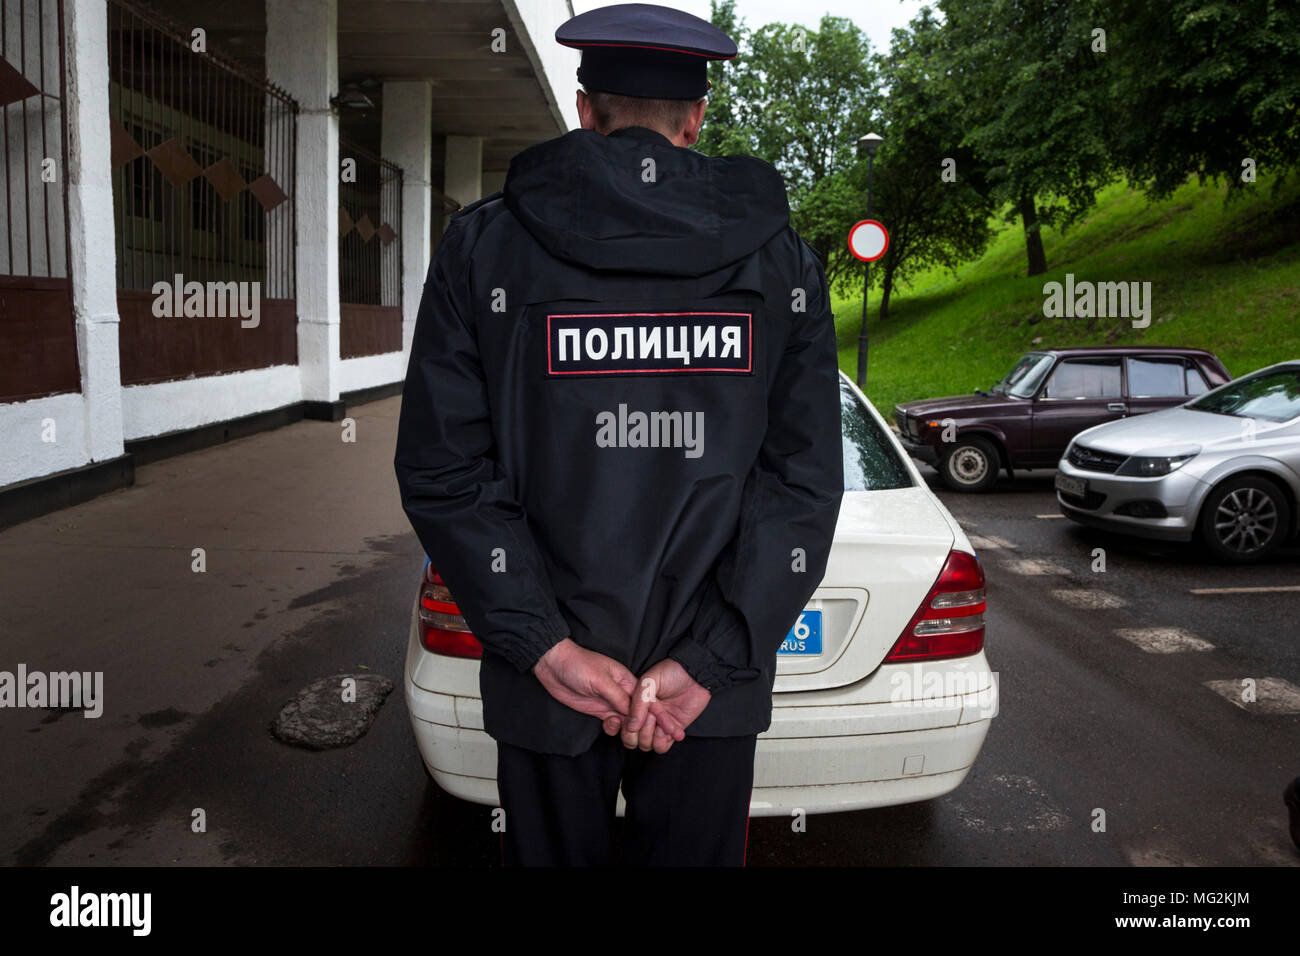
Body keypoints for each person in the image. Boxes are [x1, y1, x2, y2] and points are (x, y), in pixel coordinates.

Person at [394, 2, 844, 866]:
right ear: (697, 118)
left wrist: (548, 648)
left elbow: (445, 473)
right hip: (703, 697)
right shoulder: (781, 262)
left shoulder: (483, 249)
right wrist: (708, 657)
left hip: (550, 685)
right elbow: (803, 484)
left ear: (584, 108)